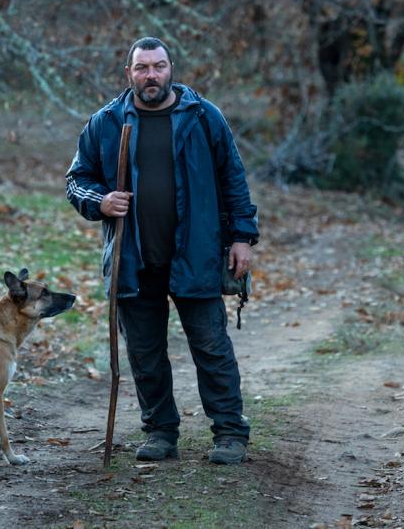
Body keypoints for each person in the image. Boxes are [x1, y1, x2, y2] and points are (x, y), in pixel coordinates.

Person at [65, 36, 259, 465]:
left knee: (211, 346)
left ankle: (229, 432)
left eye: (158, 66)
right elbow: (76, 179)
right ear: (129, 73)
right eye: (142, 68)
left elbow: (233, 180)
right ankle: (160, 432)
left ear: (171, 68)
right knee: (145, 351)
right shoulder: (107, 122)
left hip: (197, 254)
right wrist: (100, 201)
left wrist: (242, 236)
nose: (151, 75)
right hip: (135, 259)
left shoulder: (203, 117)